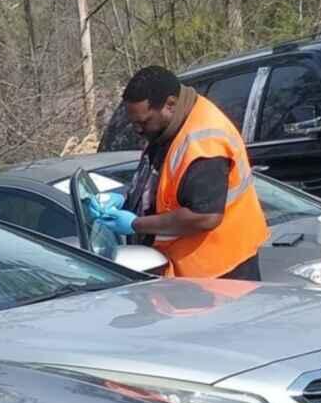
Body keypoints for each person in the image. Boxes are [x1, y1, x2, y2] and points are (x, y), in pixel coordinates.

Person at [90, 65, 270, 281]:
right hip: (195, 272)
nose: (138, 130)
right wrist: (129, 202)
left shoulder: (204, 141)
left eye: (144, 122)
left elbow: (205, 216)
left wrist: (135, 224)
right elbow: (165, 182)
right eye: (134, 123)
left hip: (221, 272)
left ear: (170, 104)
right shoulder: (171, 126)